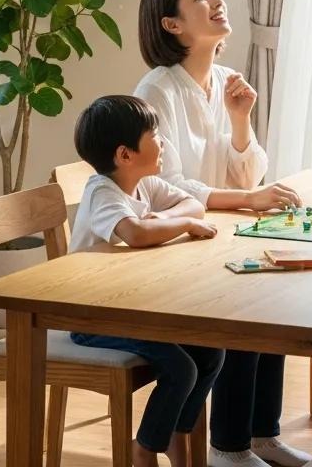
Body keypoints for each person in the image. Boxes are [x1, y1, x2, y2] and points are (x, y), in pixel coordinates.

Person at [136, 0, 310, 467]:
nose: (216, 1)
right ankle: (228, 448)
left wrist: (240, 120)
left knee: (274, 296)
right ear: (172, 25)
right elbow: (163, 188)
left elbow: (249, 173)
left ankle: (260, 434)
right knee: (249, 308)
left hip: (211, 239)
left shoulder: (223, 83)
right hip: (168, 251)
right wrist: (248, 201)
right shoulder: (156, 91)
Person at [69, 95, 225, 467]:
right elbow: (135, 233)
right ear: (125, 154)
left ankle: (175, 434)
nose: (163, 142)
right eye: (154, 135)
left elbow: (194, 204)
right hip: (91, 316)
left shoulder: (145, 184)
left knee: (210, 351)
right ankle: (144, 447)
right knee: (181, 367)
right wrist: (181, 224)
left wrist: (167, 220)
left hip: (130, 308)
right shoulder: (101, 191)